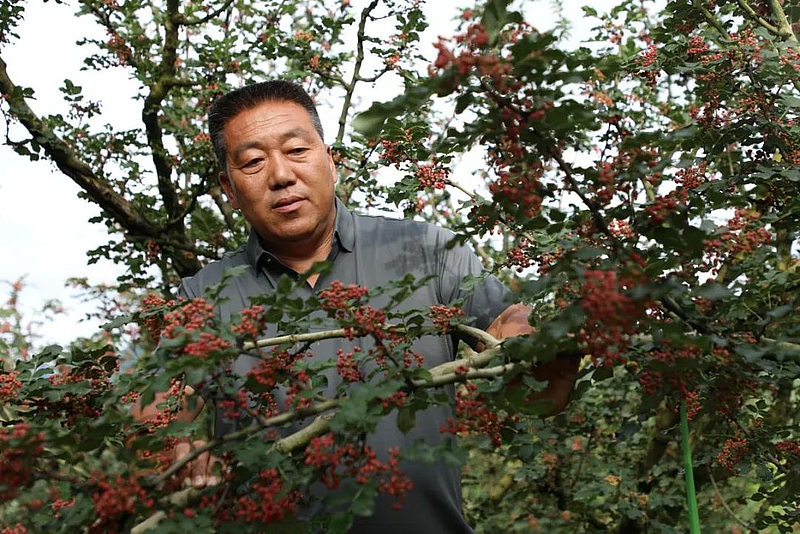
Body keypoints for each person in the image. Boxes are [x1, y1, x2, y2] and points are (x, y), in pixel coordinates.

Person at [134, 80, 578, 532]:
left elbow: (512, 333)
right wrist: (173, 446)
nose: (281, 175)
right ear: (229, 188)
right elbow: (158, 408)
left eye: (297, 150)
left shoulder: (428, 251)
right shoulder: (203, 297)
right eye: (253, 162)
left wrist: (539, 341)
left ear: (330, 161)